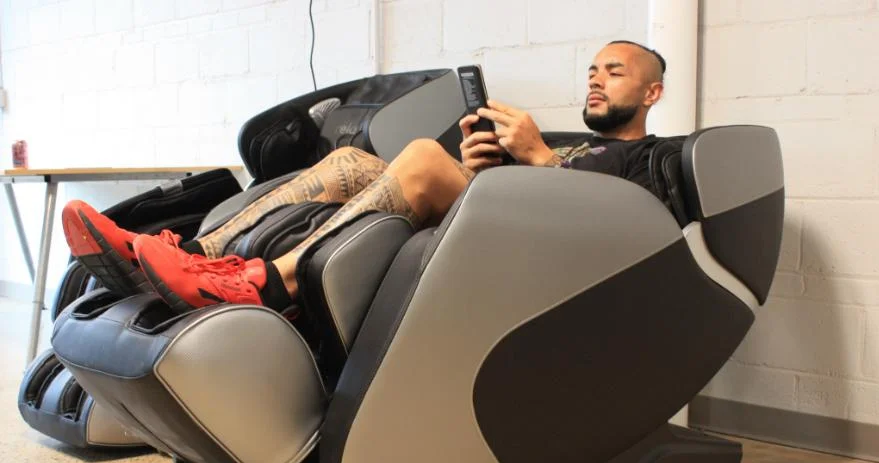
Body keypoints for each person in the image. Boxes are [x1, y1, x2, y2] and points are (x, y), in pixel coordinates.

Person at [62, 40, 666, 314]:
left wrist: (535, 157)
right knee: (354, 162)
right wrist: (478, 169)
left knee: (425, 156)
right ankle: (190, 255)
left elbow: (616, 224)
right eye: (591, 69)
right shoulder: (564, 143)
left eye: (614, 72)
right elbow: (504, 196)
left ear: (651, 92)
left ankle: (271, 284)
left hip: (552, 258)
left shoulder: (644, 158)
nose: (596, 78)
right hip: (492, 229)